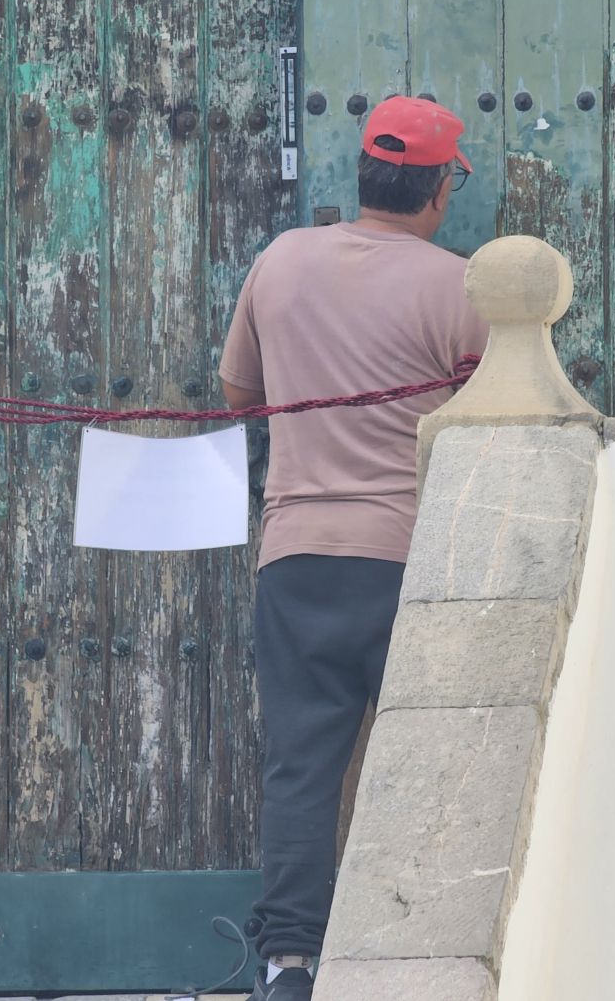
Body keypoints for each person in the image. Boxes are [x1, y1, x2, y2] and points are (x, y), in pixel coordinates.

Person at [219, 95, 489, 1001]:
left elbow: (239, 395)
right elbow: (494, 427)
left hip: (297, 556)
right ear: (440, 188)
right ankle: (415, 959)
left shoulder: (283, 259)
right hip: (407, 561)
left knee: (302, 763)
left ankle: (291, 963)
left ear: (366, 174)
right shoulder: (458, 287)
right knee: (417, 757)